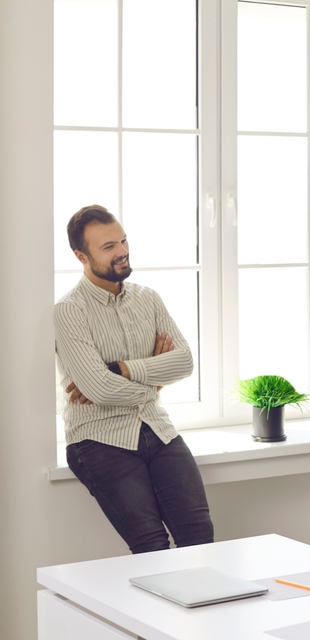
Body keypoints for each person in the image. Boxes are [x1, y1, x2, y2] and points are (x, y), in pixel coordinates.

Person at [54, 205, 213, 553]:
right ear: (81, 256)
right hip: (98, 440)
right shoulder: (69, 310)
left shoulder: (148, 299)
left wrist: (123, 369)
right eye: (108, 246)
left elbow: (184, 361)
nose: (123, 252)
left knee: (199, 538)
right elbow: (97, 389)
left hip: (158, 429)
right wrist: (154, 381)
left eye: (123, 241)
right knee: (151, 547)